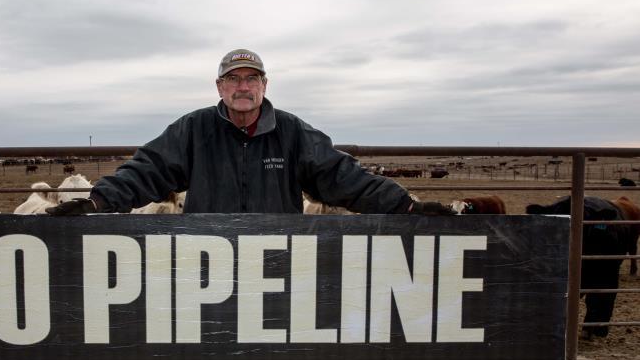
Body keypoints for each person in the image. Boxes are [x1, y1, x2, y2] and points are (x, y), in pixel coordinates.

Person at [46, 48, 452, 216]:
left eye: (251, 79)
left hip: (278, 253)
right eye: (233, 79)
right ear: (220, 87)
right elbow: (146, 171)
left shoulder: (292, 132)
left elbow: (343, 177)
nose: (243, 86)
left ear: (264, 86)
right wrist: (96, 202)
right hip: (208, 253)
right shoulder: (194, 128)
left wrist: (408, 206)